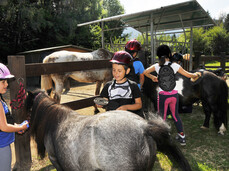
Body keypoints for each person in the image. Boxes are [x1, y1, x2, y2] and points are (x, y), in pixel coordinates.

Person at [143, 45, 200, 146]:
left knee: (162, 116)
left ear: (158, 55)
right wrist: (196, 75)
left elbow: (145, 72)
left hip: (162, 95)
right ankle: (182, 136)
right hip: (174, 95)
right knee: (175, 115)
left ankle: (164, 136)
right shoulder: (175, 66)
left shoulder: (156, 66)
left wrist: (153, 77)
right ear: (169, 54)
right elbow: (189, 75)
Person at [95, 51, 143, 118]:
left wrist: (126, 107)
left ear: (127, 71)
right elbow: (105, 101)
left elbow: (139, 104)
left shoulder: (133, 86)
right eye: (114, 70)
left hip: (127, 118)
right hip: (111, 118)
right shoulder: (108, 86)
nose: (116, 73)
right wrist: (101, 104)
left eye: (119, 71)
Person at [0, 63, 29, 171]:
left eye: (6, 81)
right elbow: (3, 127)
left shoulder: (0, 98)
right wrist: (21, 128)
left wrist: (16, 126)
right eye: (3, 81)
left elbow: (4, 121)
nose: (6, 84)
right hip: (1, 146)